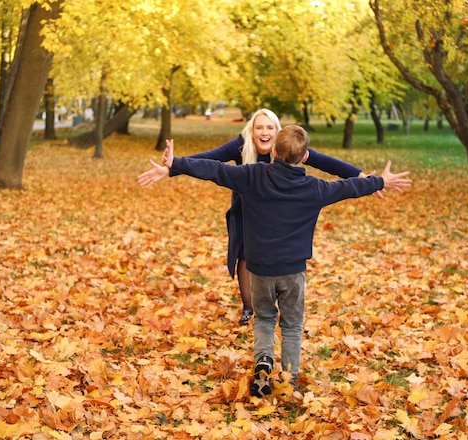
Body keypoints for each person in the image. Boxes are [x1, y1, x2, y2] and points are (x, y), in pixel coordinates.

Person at [138, 125, 412, 397]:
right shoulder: (315, 188)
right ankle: (288, 378)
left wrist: (177, 163)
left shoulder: (252, 176)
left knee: (265, 318)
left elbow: (216, 170)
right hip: (293, 271)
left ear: (274, 152)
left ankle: (263, 361)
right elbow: (349, 187)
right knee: (291, 324)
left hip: (259, 269)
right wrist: (380, 181)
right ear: (305, 158)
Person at [137, 108, 381, 326]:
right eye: (259, 127)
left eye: (270, 127)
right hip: (246, 208)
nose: (264, 132)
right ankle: (248, 307)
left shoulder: (288, 147)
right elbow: (211, 161)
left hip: (279, 214)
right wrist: (172, 168)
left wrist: (361, 176)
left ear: (278, 132)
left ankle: (274, 300)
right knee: (244, 253)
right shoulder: (241, 146)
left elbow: (326, 163)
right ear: (251, 131)